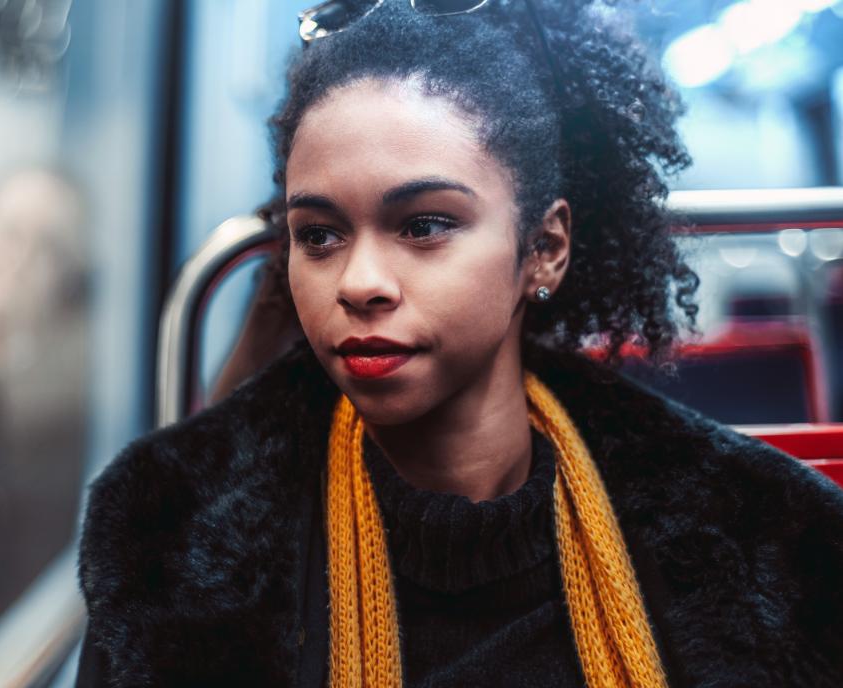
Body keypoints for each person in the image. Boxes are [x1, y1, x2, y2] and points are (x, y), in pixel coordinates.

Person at [76, 1, 843, 686]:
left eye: (426, 226)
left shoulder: (769, 537)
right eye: (319, 236)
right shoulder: (168, 536)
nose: (361, 281)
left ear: (542, 249)